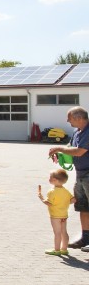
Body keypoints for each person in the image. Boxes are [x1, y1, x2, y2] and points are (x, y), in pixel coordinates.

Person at [48, 106, 89, 250]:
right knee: (83, 207)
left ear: (78, 118)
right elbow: (70, 146)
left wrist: (59, 149)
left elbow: (79, 151)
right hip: (81, 173)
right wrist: (60, 153)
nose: (67, 121)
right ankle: (85, 238)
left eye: (69, 118)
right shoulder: (77, 132)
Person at [37, 168, 75, 255]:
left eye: (50, 178)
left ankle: (57, 250)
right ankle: (64, 249)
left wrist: (41, 197)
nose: (49, 179)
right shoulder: (66, 191)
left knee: (57, 233)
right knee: (64, 232)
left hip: (55, 216)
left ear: (54, 180)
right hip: (64, 215)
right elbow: (73, 200)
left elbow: (49, 203)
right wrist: (64, 203)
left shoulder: (52, 192)